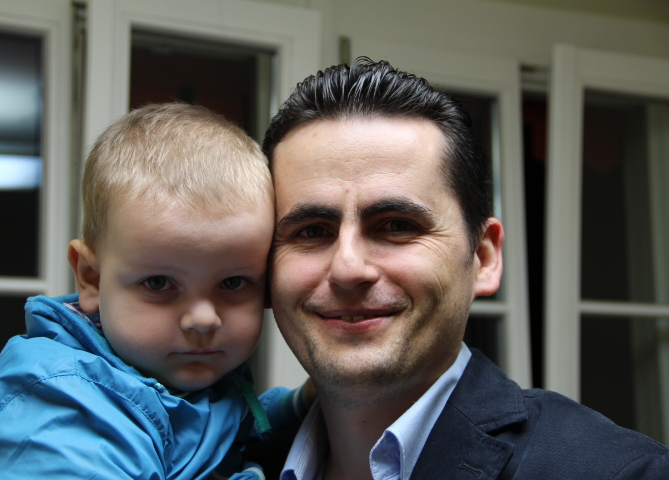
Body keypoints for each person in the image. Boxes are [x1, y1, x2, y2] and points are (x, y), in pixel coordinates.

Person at [260, 58, 669, 479]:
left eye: (397, 226)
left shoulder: (621, 473)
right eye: (311, 231)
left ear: (483, 258)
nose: (348, 268)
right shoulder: (233, 462)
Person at [0, 103, 312, 480]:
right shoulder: (58, 412)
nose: (203, 319)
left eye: (233, 283)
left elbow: (222, 428)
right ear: (91, 278)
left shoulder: (175, 371)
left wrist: (302, 403)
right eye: (159, 283)